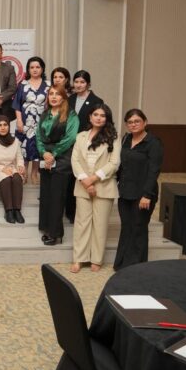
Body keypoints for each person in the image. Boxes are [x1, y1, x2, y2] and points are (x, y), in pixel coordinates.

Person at [70, 104, 120, 273]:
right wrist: (85, 181)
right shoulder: (81, 136)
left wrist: (93, 179)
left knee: (100, 224)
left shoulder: (113, 137)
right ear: (90, 117)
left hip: (104, 186)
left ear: (107, 119)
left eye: (103, 115)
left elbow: (114, 163)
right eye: (96, 114)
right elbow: (75, 160)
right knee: (82, 223)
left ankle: (96, 259)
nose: (99, 118)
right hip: (82, 185)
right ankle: (79, 258)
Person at [114, 109, 163, 271]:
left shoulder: (153, 142)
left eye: (137, 121)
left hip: (143, 194)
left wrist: (147, 195)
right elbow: (121, 165)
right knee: (126, 227)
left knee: (138, 228)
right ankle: (122, 264)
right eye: (129, 122)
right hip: (125, 192)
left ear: (145, 122)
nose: (133, 124)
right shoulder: (126, 139)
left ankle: (136, 267)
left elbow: (154, 170)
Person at [37, 85, 79, 246]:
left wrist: (53, 154)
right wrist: (44, 153)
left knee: (57, 198)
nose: (54, 97)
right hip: (46, 158)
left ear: (63, 97)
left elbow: (70, 138)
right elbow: (38, 136)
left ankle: (56, 235)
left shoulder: (71, 115)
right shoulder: (45, 114)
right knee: (46, 196)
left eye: (57, 94)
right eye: (51, 94)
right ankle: (47, 229)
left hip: (62, 159)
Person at [66, 69, 103, 223]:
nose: (79, 85)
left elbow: (100, 122)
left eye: (82, 82)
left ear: (88, 84)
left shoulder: (96, 101)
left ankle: (83, 213)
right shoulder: (69, 99)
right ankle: (70, 211)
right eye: (76, 82)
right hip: (70, 142)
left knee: (85, 174)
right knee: (71, 175)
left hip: (88, 143)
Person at [0, 115, 26, 224]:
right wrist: (2, 168)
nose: (3, 128)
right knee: (6, 179)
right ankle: (9, 211)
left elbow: (19, 158)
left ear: (9, 126)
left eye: (5, 125)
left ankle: (17, 210)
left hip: (11, 168)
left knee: (17, 178)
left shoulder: (15, 141)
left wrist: (20, 166)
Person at [13, 57, 49, 185]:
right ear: (28, 69)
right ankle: (24, 173)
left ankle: (34, 173)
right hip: (25, 121)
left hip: (42, 121)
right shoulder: (22, 84)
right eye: (32, 67)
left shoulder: (48, 85)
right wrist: (19, 121)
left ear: (42, 69)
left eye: (37, 67)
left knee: (38, 147)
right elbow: (17, 104)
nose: (35, 70)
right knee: (24, 147)